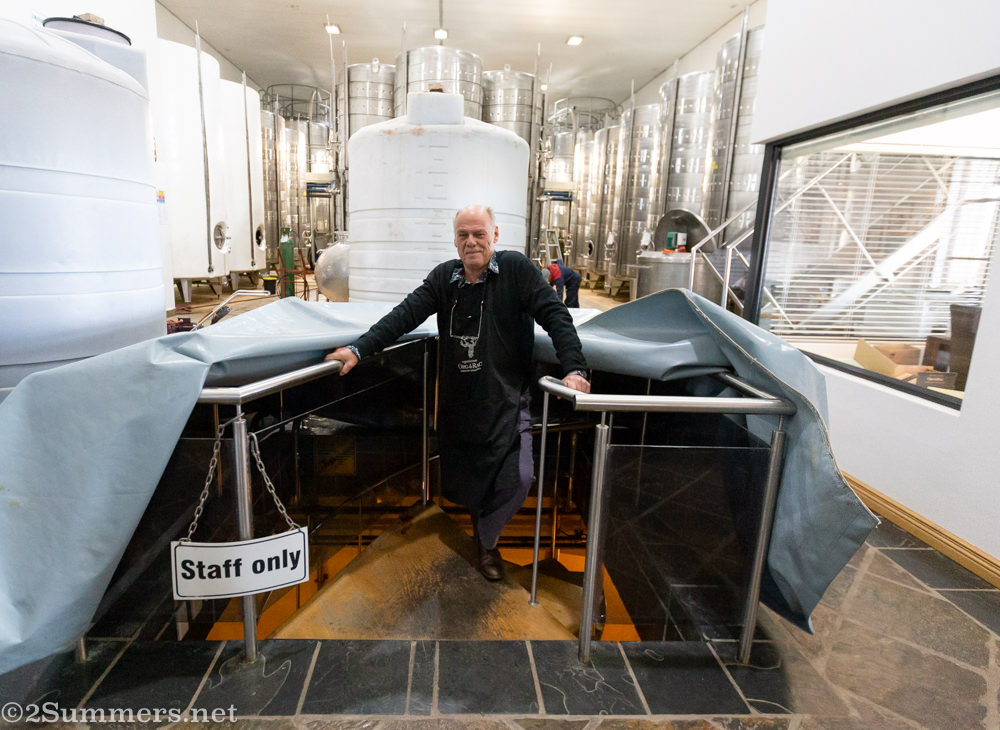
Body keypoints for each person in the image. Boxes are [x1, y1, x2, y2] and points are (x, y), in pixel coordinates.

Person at [325, 204, 590, 581]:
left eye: (479, 234)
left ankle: (487, 538)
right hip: (461, 406)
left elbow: (556, 316)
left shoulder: (515, 270)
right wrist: (357, 349)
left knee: (521, 478)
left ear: (494, 235)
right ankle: (486, 549)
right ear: (454, 240)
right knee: (475, 483)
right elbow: (403, 316)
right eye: (463, 235)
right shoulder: (444, 279)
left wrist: (574, 369)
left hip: (508, 401)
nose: (471, 242)